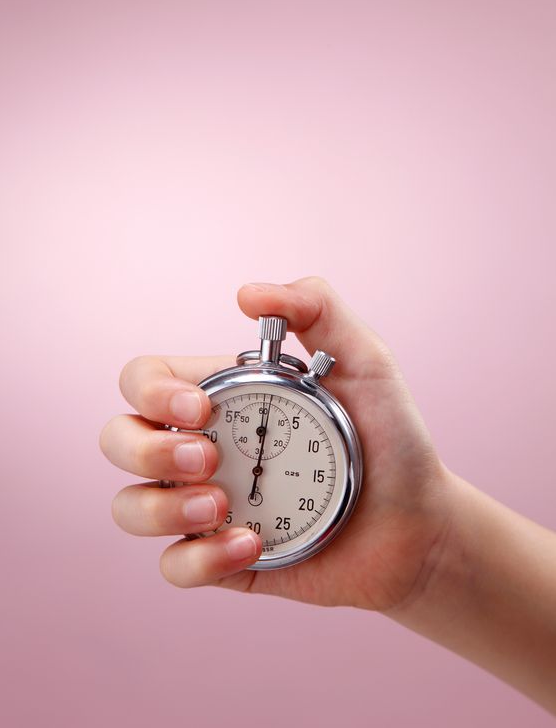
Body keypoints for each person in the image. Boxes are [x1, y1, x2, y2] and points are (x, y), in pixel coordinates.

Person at [99, 277, 556, 714]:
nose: (256, 469)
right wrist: (429, 553)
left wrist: (429, 547)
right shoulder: (211, 403)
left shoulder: (331, 420)